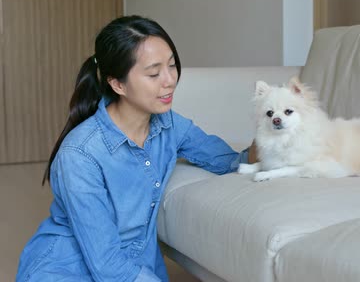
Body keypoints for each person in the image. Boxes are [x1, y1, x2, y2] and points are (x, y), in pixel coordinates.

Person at [16, 15, 255, 281]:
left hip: (130, 268)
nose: (169, 80)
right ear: (117, 84)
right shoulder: (80, 155)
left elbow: (231, 161)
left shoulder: (170, 125)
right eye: (153, 73)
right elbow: (106, 264)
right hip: (66, 269)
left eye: (172, 65)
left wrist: (279, 126)